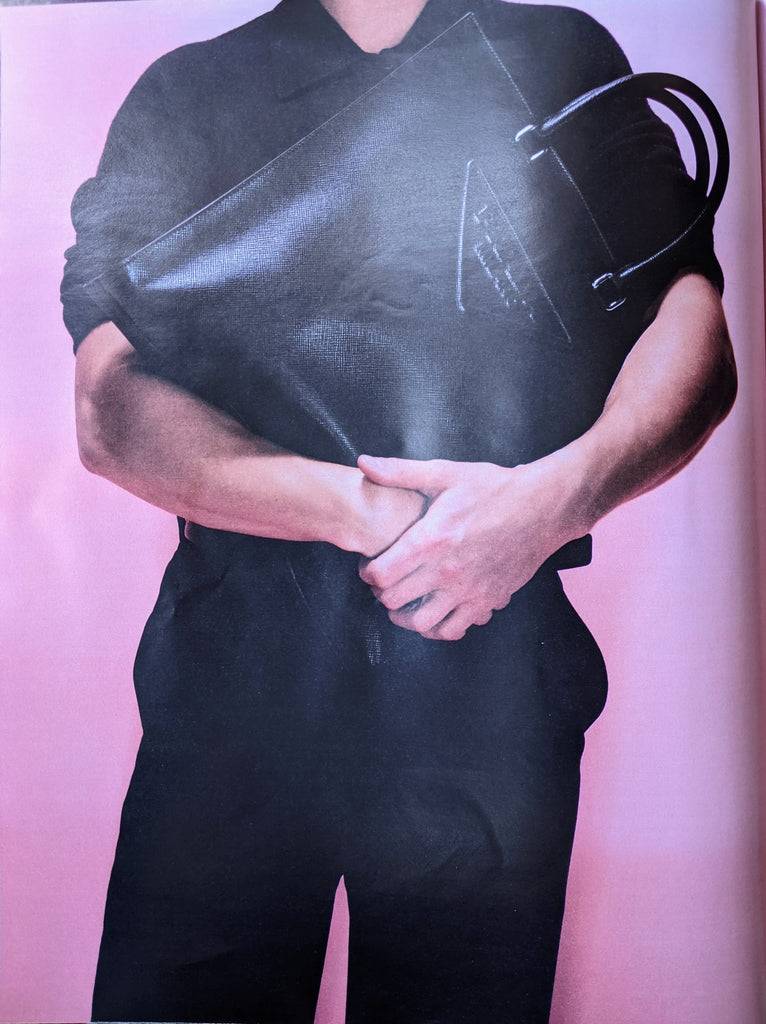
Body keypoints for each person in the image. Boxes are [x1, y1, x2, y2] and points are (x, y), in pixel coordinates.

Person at [62, 0, 736, 1021]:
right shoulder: (186, 90)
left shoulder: (557, 52)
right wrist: (367, 512)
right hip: (237, 659)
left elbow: (691, 329)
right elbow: (108, 408)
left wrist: (542, 507)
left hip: (493, 664)